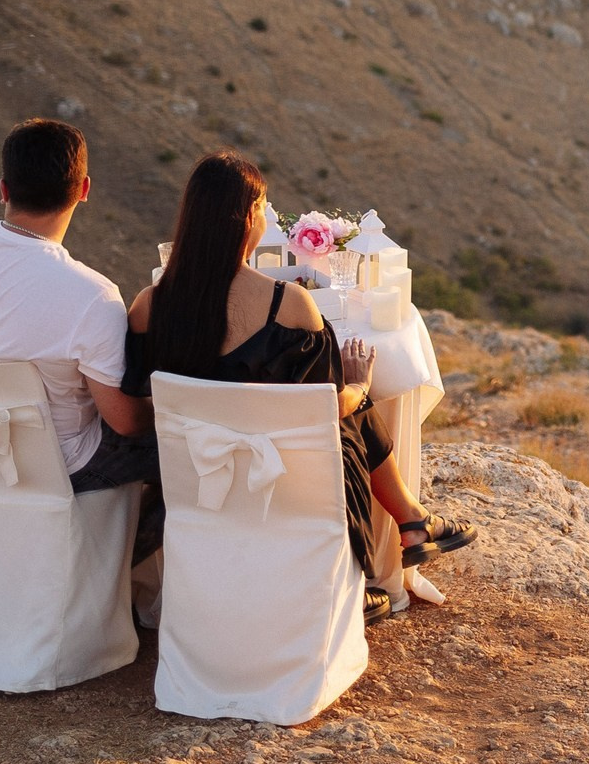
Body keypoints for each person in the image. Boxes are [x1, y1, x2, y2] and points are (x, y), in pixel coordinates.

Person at [127, 152, 473, 625]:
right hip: (287, 480)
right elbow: (326, 411)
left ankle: (412, 522)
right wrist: (359, 384)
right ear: (249, 218)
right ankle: (395, 537)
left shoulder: (147, 307)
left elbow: (141, 400)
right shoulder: (288, 304)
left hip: (192, 479)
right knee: (354, 405)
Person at [0, 120, 162, 513]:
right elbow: (125, 423)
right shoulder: (92, 295)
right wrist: (172, 408)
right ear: (83, 191)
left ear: (4, 189)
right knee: (184, 447)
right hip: (62, 470)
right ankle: (130, 570)